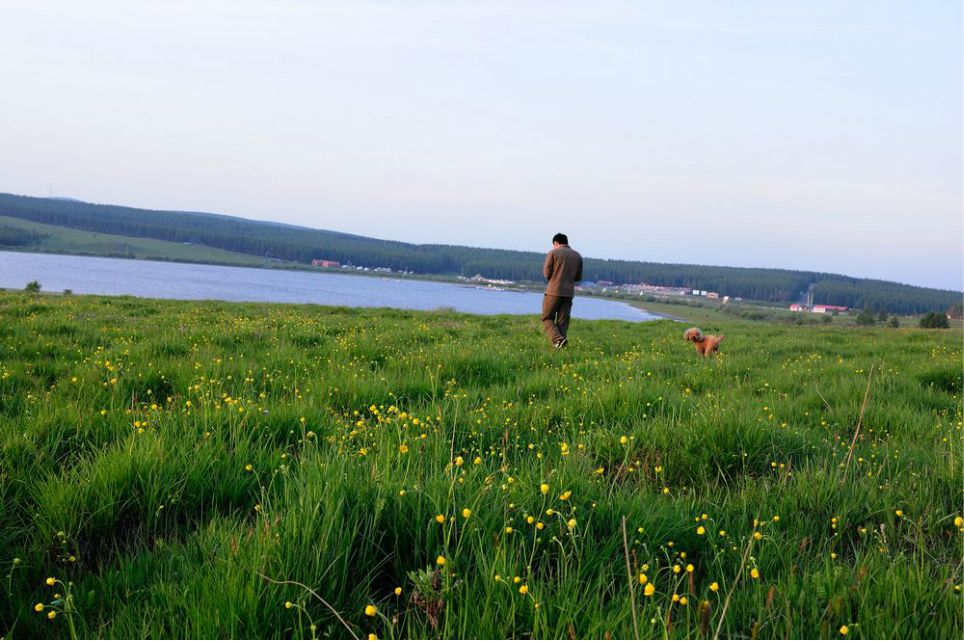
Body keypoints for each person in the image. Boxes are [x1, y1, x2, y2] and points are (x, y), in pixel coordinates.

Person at [542, 232, 583, 348]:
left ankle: (557, 339)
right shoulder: (577, 256)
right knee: (563, 321)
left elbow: (546, 273)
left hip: (553, 291)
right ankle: (561, 346)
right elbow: (578, 277)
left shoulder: (553, 253)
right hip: (569, 293)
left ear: (556, 243)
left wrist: (554, 279)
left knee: (547, 317)